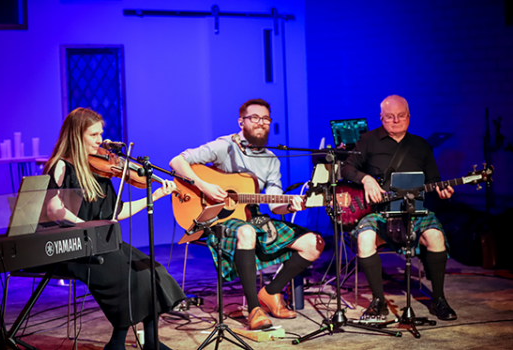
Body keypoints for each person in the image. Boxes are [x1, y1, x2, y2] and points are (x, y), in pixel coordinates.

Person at [169, 98, 325, 330]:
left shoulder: (271, 159)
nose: (261, 123)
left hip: (251, 217)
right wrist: (205, 186)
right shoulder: (225, 146)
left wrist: (291, 206)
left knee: (314, 243)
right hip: (218, 219)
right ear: (241, 122)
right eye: (254, 118)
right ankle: (254, 309)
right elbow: (177, 162)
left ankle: (270, 293)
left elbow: (275, 205)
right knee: (246, 231)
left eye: (265, 119)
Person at [44, 107, 186, 350]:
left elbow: (117, 212)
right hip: (76, 246)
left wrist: (156, 194)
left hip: (104, 242)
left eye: (101, 134)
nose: (101, 141)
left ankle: (151, 341)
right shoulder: (61, 166)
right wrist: (85, 227)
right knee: (128, 277)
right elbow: (53, 209)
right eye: (94, 135)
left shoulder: (99, 169)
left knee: (151, 271)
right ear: (77, 135)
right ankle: (117, 343)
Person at [341, 95, 457, 321]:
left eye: (401, 116)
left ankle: (439, 299)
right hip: (380, 212)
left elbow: (434, 178)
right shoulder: (368, 140)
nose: (396, 120)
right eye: (390, 117)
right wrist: (366, 179)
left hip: (414, 210)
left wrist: (443, 190)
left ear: (409, 117)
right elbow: (346, 170)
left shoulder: (421, 145)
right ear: (381, 117)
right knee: (364, 240)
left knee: (435, 237)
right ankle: (378, 302)